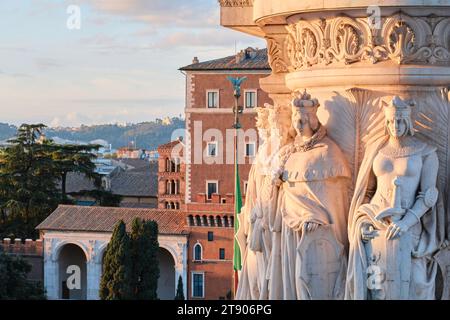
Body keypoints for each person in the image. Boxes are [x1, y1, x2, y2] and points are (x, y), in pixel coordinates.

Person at [346, 96, 445, 299]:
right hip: (376, 224)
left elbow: (428, 196)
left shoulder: (426, 152)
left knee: (416, 283)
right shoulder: (377, 150)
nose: (395, 126)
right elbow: (367, 192)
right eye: (391, 121)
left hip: (411, 225)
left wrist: (407, 222)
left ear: (408, 121)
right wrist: (363, 224)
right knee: (377, 285)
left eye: (400, 120)